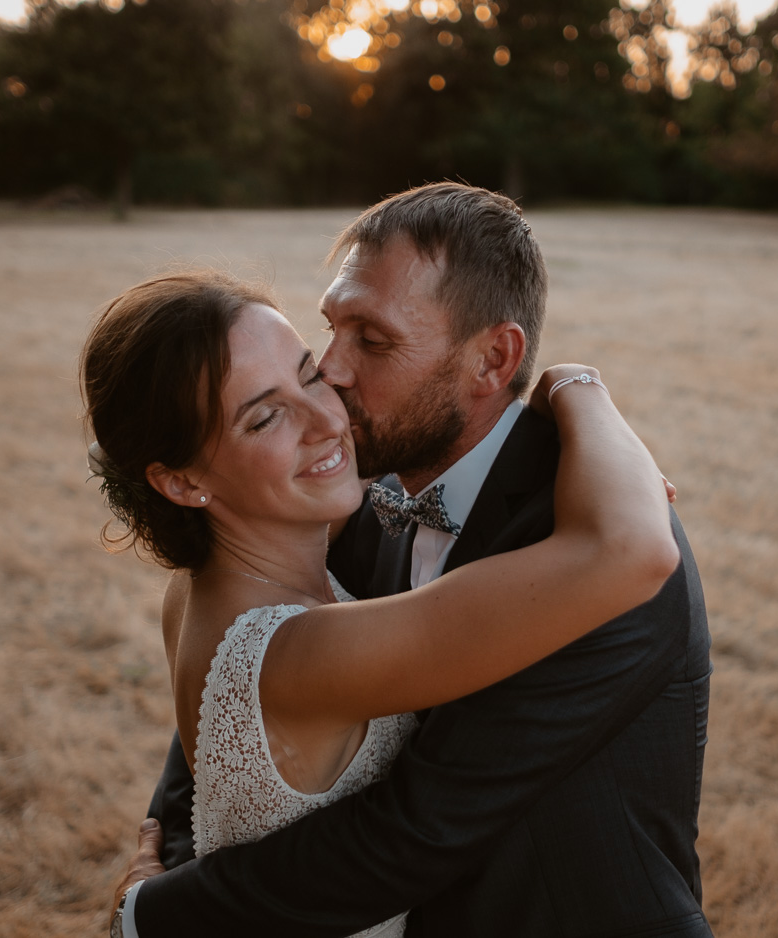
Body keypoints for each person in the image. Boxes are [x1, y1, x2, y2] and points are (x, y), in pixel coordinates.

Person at [117, 183, 714, 937]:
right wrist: (171, 840)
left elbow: (413, 831)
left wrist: (152, 917)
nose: (332, 370)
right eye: (330, 331)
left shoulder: (597, 551)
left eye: (373, 340)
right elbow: (227, 699)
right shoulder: (350, 497)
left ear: (493, 359)